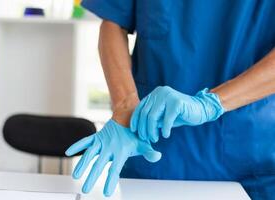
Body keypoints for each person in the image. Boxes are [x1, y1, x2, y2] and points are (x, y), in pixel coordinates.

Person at [65, 0, 275, 199]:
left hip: (247, 157)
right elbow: (113, 24)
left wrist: (210, 104)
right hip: (150, 149)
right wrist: (125, 104)